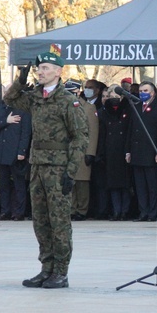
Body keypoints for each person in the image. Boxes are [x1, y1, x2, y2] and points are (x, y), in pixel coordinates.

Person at [4, 48, 88, 289]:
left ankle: (61, 271)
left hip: (59, 168)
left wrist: (71, 171)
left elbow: (80, 137)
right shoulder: (35, 96)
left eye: (45, 68)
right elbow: (10, 100)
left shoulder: (67, 101)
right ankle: (46, 268)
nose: (40, 72)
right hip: (38, 166)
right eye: (38, 68)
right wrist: (20, 81)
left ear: (58, 72)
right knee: (40, 220)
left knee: (59, 221)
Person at [126, 80, 157, 222]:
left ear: (153, 93)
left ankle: (153, 212)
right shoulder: (136, 106)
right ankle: (143, 212)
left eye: (145, 91)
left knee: (152, 185)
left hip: (151, 152)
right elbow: (130, 130)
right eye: (140, 91)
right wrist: (128, 151)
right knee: (140, 185)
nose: (142, 93)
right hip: (137, 151)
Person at [0, 88, 32, 221]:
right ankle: (5, 211)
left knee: (19, 184)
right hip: (2, 152)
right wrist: (6, 121)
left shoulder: (23, 111)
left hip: (15, 153)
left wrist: (22, 152)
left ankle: (19, 212)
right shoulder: (0, 109)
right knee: (4, 184)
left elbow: (26, 134)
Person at [98, 85, 132, 220]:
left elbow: (130, 130)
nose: (114, 99)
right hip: (110, 151)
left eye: (116, 97)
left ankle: (125, 211)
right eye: (111, 97)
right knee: (113, 184)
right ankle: (117, 210)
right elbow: (101, 134)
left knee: (125, 184)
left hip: (124, 150)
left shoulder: (128, 109)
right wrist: (100, 153)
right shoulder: (104, 112)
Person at [68, 81, 98, 222]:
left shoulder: (88, 108)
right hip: (66, 150)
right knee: (69, 181)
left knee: (82, 182)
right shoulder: (62, 106)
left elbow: (93, 131)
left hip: (82, 149)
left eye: (72, 91)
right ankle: (71, 209)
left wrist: (90, 152)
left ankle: (82, 210)